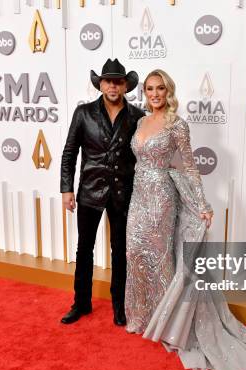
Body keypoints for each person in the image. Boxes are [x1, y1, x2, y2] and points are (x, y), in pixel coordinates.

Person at [125, 69, 246, 370]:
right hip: (138, 194)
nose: (155, 94)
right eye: (150, 88)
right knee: (135, 254)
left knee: (160, 258)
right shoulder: (141, 121)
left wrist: (203, 204)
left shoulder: (177, 125)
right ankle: (142, 317)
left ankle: (168, 323)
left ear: (169, 92)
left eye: (160, 89)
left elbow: (191, 167)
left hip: (162, 199)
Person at [60, 59, 145, 326]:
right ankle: (81, 303)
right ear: (100, 84)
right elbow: (69, 152)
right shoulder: (83, 113)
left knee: (120, 251)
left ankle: (120, 306)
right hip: (89, 192)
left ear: (125, 86)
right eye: (108, 81)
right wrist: (66, 189)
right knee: (84, 249)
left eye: (118, 81)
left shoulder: (137, 117)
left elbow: (142, 157)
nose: (113, 86)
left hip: (123, 193)